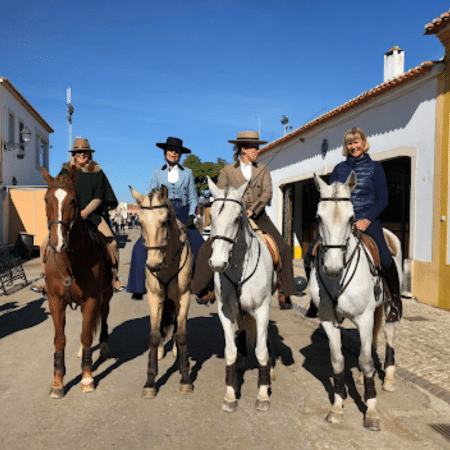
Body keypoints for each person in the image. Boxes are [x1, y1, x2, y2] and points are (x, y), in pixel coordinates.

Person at [304, 127, 402, 322]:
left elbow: (382, 199)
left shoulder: (376, 168)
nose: (353, 146)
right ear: (345, 146)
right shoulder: (340, 169)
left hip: (368, 220)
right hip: (341, 223)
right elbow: (330, 196)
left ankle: (396, 303)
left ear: (364, 143)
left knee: (385, 258)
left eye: (356, 142)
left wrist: (366, 219)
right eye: (349, 143)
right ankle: (316, 299)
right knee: (310, 256)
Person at [192, 131, 295, 310]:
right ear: (243, 150)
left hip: (258, 216)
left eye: (256, 147)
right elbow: (220, 192)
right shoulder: (227, 170)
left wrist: (252, 210)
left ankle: (284, 292)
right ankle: (205, 289)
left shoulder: (262, 169)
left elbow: (267, 193)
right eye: (254, 147)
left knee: (284, 248)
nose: (258, 150)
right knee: (205, 250)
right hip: (232, 216)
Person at [31, 137, 125, 293]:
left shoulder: (97, 173)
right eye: (79, 152)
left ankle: (114, 277)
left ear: (89, 154)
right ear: (74, 154)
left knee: (113, 244)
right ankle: (45, 278)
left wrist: (86, 211)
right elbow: (57, 191)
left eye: (85, 152)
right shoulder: (65, 171)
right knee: (44, 244)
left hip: (92, 216)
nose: (82, 155)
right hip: (68, 218)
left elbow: (99, 197)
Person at [126, 137, 204, 299]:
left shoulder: (188, 173)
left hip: (181, 211)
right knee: (138, 247)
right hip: (161, 211)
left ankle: (202, 286)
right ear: (165, 153)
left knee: (200, 244)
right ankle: (138, 286)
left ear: (180, 154)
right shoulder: (157, 172)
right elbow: (151, 195)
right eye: (170, 150)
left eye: (176, 151)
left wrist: (191, 214)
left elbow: (193, 197)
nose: (173, 153)